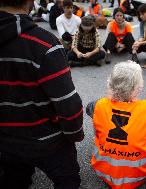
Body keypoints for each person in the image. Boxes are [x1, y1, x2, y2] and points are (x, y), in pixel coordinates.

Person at [0, 0, 84, 189]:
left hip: (5, 140)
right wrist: (74, 134)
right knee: (67, 179)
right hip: (46, 140)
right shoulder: (43, 43)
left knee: (14, 179)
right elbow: (68, 105)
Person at [86, 61, 146, 189]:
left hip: (103, 171)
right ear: (138, 87)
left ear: (111, 83)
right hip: (137, 176)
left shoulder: (97, 105)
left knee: (99, 119)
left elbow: (88, 109)